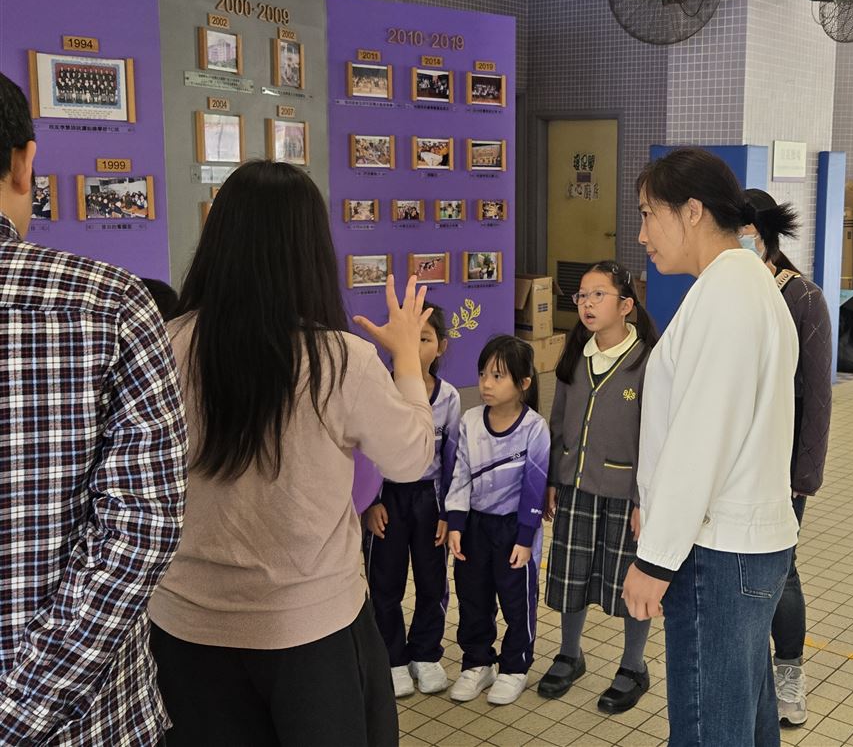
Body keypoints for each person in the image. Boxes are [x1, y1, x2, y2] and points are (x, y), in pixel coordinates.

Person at [147, 160, 436, 747]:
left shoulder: (165, 344)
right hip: (312, 631)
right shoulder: (340, 359)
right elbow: (410, 460)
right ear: (311, 250)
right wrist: (408, 358)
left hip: (185, 630)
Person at [0, 73, 189, 745]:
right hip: (89, 723)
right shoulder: (108, 303)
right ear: (24, 162)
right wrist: (19, 714)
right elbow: (143, 525)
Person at [622, 148, 800, 746]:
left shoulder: (728, 293)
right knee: (744, 721)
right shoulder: (742, 284)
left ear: (692, 211)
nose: (642, 234)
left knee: (710, 732)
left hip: (719, 553)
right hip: (740, 544)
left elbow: (702, 435)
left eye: (648, 214)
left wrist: (655, 559)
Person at [537, 260, 660, 713]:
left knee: (628, 580)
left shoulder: (648, 361)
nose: (587, 304)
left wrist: (644, 500)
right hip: (576, 486)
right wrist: (553, 477)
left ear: (625, 305)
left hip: (625, 493)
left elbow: (656, 437)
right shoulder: (577, 353)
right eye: (581, 296)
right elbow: (558, 421)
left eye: (598, 295)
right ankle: (570, 654)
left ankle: (633, 665)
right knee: (571, 573)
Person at [740, 189, 833, 728]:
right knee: (740, 567)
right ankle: (748, 669)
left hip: (783, 462)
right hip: (735, 458)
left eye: (741, 231)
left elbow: (818, 395)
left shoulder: (802, 296)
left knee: (781, 567)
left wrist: (806, 472)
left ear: (761, 233)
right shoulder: (724, 289)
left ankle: (789, 671)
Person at [445, 336, 550, 707]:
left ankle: (515, 667)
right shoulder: (470, 421)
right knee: (472, 597)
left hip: (514, 529)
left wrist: (525, 538)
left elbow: (534, 488)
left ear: (523, 383)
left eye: (498, 376)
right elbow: (459, 475)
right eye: (482, 374)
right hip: (475, 526)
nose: (486, 384)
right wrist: (455, 523)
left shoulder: (534, 428)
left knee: (517, 601)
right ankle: (478, 662)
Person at [363, 303, 461, 697]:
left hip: (429, 498)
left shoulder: (449, 397)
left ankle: (426, 653)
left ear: (441, 346)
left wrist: (449, 513)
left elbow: (453, 459)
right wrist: (369, 502)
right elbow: (362, 451)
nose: (416, 347)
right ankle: (392, 659)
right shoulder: (378, 390)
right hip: (386, 498)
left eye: (425, 339)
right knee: (384, 582)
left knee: (431, 580)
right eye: (408, 338)